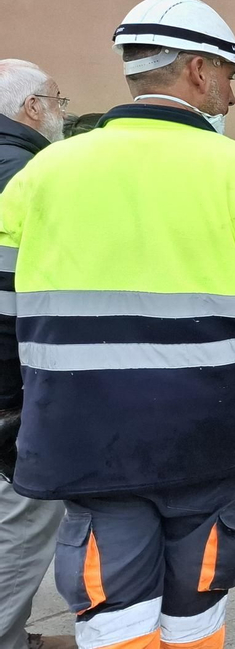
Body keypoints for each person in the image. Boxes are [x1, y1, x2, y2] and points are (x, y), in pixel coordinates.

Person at [0, 0, 235, 649]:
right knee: (195, 608)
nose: (229, 97)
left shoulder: (41, 174)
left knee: (112, 615)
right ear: (198, 70)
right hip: (205, 435)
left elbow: (1, 314)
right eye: (227, 77)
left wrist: (11, 415)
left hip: (82, 437)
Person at [0, 60, 71, 649]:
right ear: (31, 109)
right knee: (22, 523)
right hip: (11, 390)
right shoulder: (30, 174)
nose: (62, 112)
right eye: (57, 101)